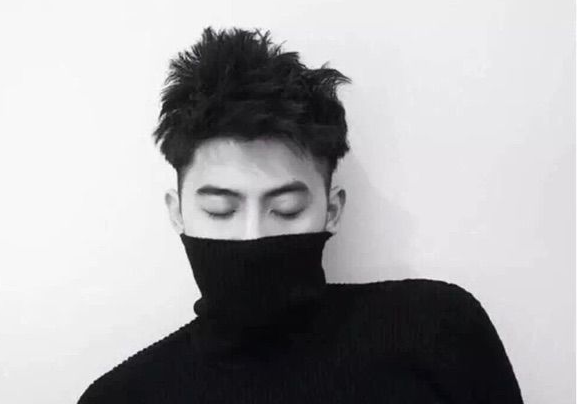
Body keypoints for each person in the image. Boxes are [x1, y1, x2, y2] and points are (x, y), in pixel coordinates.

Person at [77, 25, 524, 403]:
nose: (252, 237)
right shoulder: (122, 397)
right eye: (220, 210)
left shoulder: (435, 329)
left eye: (286, 210)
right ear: (177, 213)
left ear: (332, 210)